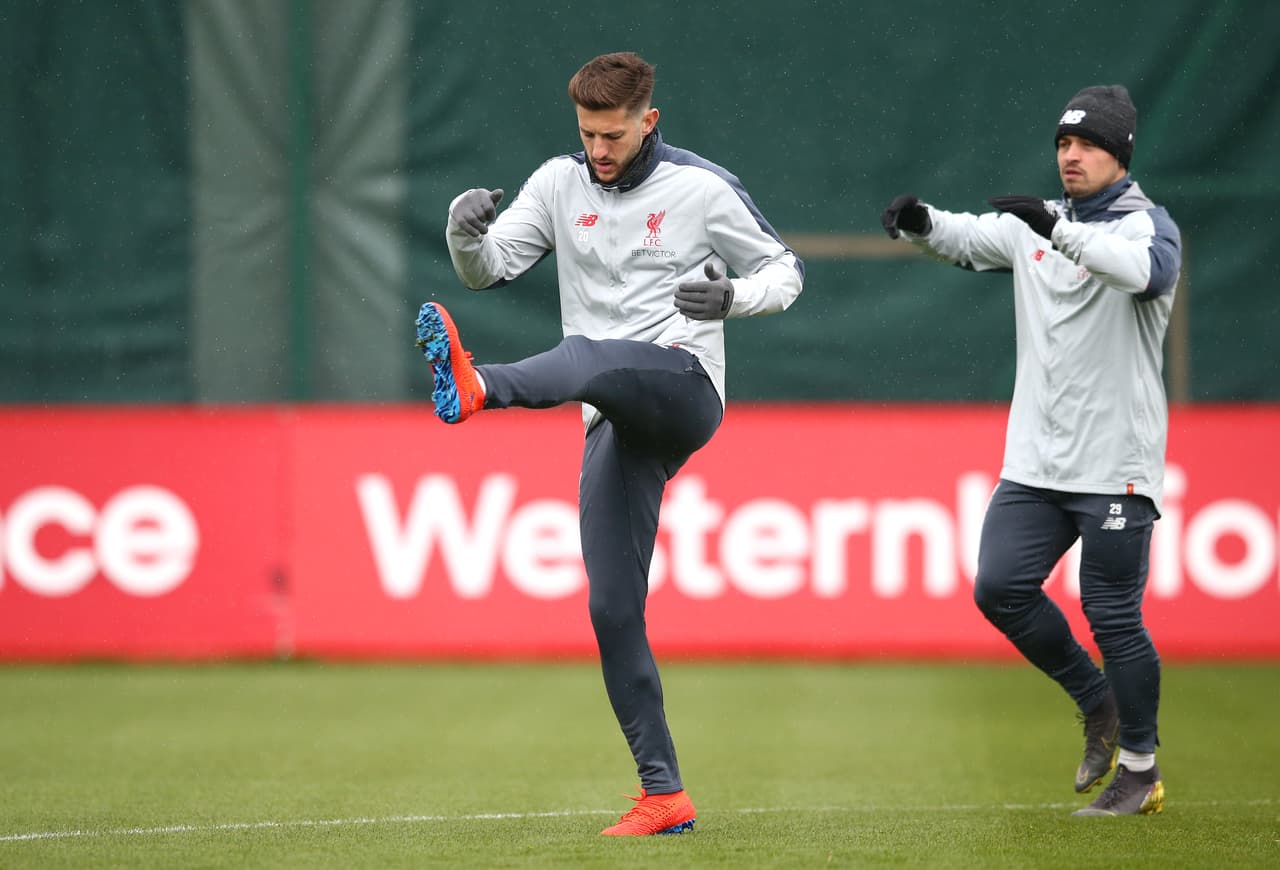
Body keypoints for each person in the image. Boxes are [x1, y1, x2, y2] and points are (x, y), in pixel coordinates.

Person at [416, 51, 803, 836]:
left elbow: (786, 271)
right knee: (612, 606)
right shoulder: (557, 184)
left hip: (684, 387)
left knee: (590, 355)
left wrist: (734, 297)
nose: (598, 149)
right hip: (610, 417)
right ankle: (665, 795)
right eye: (588, 133)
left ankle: (480, 386)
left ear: (648, 121)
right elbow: (488, 269)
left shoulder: (702, 189)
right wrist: (462, 233)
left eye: (613, 134)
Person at [880, 85, 1180, 817]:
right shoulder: (1038, 224)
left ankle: (1140, 772)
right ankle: (1097, 700)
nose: (1071, 155)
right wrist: (921, 222)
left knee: (1111, 614)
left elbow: (1146, 274)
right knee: (999, 588)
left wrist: (1056, 229)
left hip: (1115, 464)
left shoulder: (1148, 227)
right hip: (1036, 465)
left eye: (1088, 144)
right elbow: (969, 238)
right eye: (1063, 144)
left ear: (1121, 154)